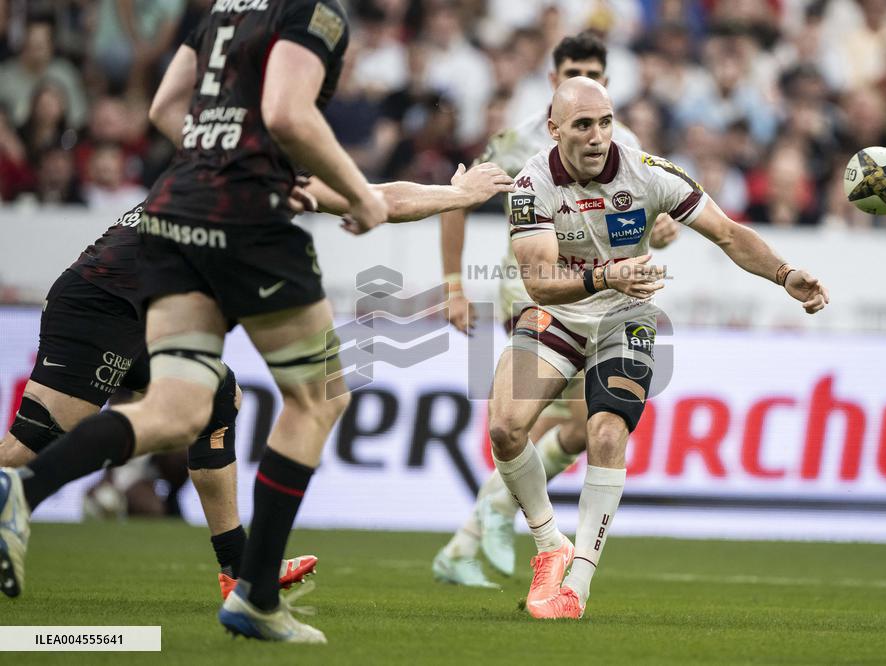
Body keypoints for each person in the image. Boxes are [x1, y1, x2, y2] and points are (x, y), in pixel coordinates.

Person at [0, 0, 508, 644]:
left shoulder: (222, 15)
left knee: (194, 405)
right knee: (318, 395)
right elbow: (299, 125)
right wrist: (304, 182)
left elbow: (162, 109)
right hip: (168, 265)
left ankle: (34, 497)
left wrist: (223, 161)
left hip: (173, 227)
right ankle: (256, 593)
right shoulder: (311, 19)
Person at [491, 77, 828, 619]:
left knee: (605, 430)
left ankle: (576, 587)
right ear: (555, 130)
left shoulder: (648, 173)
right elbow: (539, 279)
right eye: (582, 125)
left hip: (627, 316)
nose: (598, 135)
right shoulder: (532, 182)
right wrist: (607, 273)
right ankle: (551, 546)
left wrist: (784, 274)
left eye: (604, 121)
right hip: (560, 312)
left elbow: (728, 233)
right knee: (505, 428)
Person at [434, 31, 679, 588]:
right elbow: (457, 200)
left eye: (593, 70)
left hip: (603, 298)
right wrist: (453, 283)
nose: (581, 78)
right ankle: (502, 521)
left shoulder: (627, 146)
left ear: (608, 83)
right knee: (541, 421)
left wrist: (661, 234)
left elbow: (644, 229)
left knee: (574, 428)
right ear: (552, 81)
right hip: (532, 293)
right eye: (571, 70)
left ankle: (484, 524)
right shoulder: (517, 143)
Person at [0, 200, 318, 601]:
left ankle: (240, 568)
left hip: (138, 315)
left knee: (219, 395)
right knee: (26, 448)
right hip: (101, 308)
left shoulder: (217, 171)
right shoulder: (240, 185)